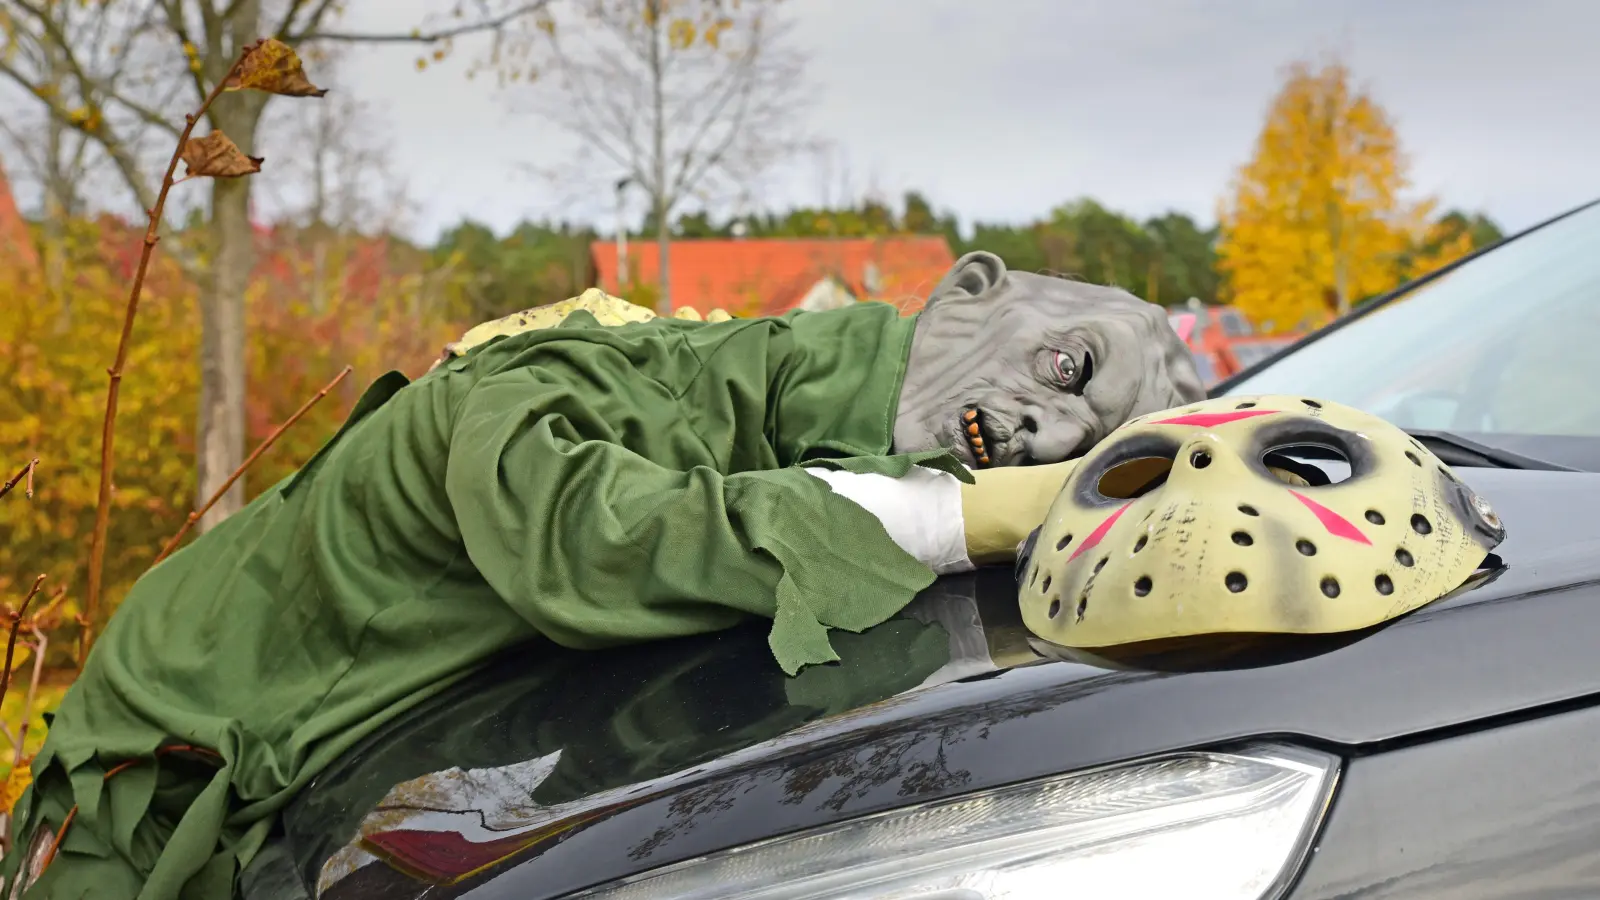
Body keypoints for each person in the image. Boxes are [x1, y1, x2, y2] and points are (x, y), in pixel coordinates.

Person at [2, 251, 1204, 899]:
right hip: (153, 784)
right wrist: (957, 513)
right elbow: (596, 536)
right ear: (966, 294)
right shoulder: (559, 383)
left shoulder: (758, 429)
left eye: (1086, 441)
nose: (1052, 430)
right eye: (1069, 368)